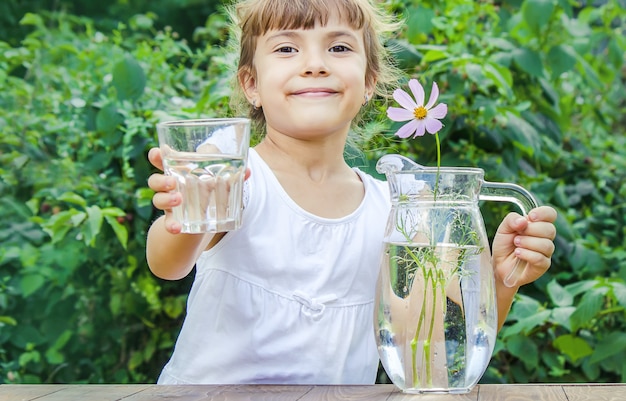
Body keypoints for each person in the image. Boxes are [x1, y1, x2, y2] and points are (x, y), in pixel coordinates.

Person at [145, 0, 557, 385]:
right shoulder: (235, 175)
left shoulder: (394, 212)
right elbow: (168, 265)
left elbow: (432, 362)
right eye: (287, 49)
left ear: (368, 83)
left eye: (339, 47)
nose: (314, 64)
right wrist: (188, 209)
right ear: (251, 84)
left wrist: (501, 283)